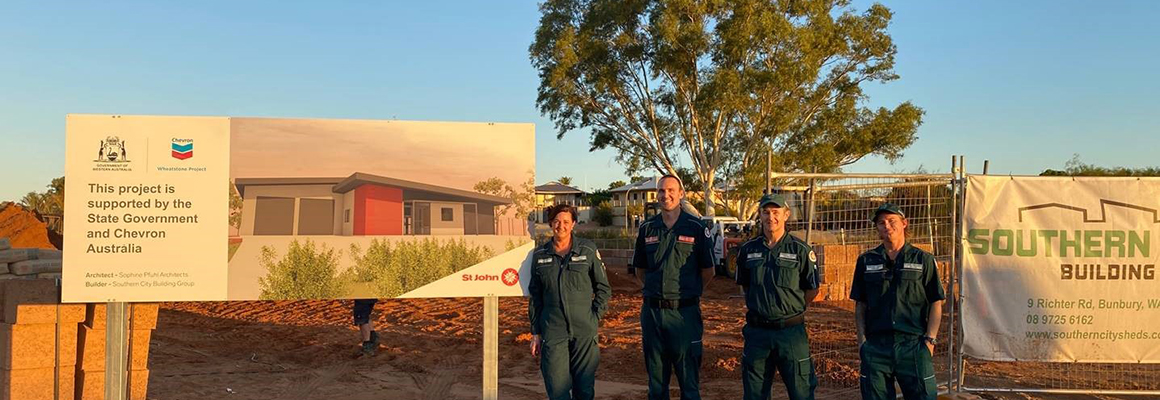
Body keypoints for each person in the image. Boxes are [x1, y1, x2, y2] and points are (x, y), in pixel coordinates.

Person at [631, 174, 714, 400]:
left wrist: (688, 293)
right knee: (656, 385)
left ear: (681, 194)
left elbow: (708, 271)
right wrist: (656, 291)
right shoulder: (647, 228)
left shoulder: (696, 227)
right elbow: (640, 270)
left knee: (689, 384)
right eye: (660, 191)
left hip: (684, 314)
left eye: (670, 190)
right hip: (653, 315)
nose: (665, 195)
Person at [851, 203, 945, 400]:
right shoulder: (867, 260)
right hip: (876, 346)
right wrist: (862, 342)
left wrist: (930, 340)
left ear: (904, 223)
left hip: (913, 344)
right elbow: (860, 304)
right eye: (881, 223)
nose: (887, 226)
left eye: (892, 221)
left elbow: (936, 301)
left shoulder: (923, 259)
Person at [735, 194, 819, 400]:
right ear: (760, 215)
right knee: (755, 393)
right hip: (757, 334)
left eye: (775, 212)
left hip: (790, 334)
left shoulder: (800, 250)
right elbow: (745, 286)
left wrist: (790, 309)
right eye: (766, 212)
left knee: (801, 392)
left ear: (786, 215)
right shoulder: (748, 250)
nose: (770, 217)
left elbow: (812, 289)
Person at [528, 204, 612, 400]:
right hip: (553, 330)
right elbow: (535, 297)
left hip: (584, 331)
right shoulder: (540, 256)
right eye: (557, 221)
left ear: (573, 224)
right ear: (550, 223)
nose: (561, 226)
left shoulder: (587, 250)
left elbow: (603, 289)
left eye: (566, 221)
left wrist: (594, 318)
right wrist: (535, 332)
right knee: (557, 391)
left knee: (584, 391)